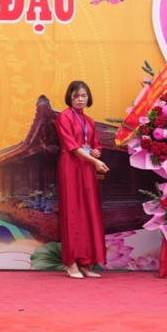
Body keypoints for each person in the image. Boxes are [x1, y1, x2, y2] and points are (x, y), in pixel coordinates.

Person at [54, 80, 109, 279]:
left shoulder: (90, 121)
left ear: (88, 98)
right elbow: (71, 146)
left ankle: (85, 262)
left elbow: (95, 144)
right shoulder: (64, 117)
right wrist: (94, 160)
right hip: (71, 166)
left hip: (86, 167)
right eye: (76, 95)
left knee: (88, 211)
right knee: (73, 211)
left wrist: (96, 152)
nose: (80, 99)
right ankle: (71, 262)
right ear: (69, 97)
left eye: (83, 96)